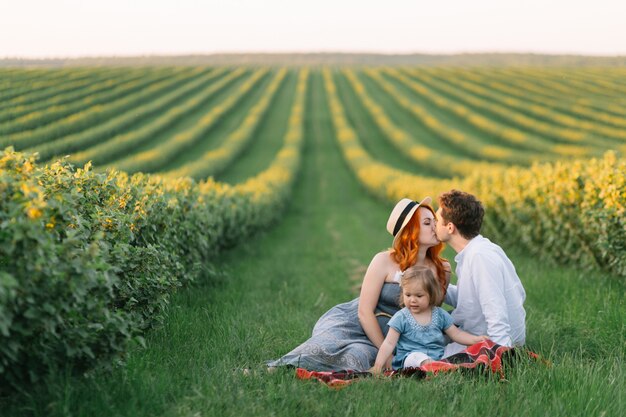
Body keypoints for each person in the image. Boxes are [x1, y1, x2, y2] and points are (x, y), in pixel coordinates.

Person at [267, 197, 450, 372]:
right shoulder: (384, 261)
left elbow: (430, 316)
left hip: (393, 337)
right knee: (324, 347)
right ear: (411, 230)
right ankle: (276, 368)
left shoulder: (441, 269)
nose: (435, 226)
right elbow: (364, 312)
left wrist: (395, 350)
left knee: (356, 358)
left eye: (434, 221)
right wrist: (384, 352)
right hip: (357, 324)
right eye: (427, 223)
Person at [434, 189, 526, 357]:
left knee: (419, 355)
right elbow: (468, 299)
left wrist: (502, 356)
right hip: (480, 333)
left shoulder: (479, 257)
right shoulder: (476, 250)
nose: (433, 224)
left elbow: (495, 310)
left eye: (437, 219)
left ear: (450, 227)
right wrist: (432, 285)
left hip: (490, 341)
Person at [371, 266, 487, 373]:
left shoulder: (439, 314)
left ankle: (443, 366)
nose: (412, 300)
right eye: (408, 295)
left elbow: (457, 334)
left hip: (439, 356)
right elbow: (389, 343)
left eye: (419, 296)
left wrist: (476, 340)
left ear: (431, 295)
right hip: (410, 360)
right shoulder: (402, 317)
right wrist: (378, 365)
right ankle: (441, 368)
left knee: (460, 347)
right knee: (416, 357)